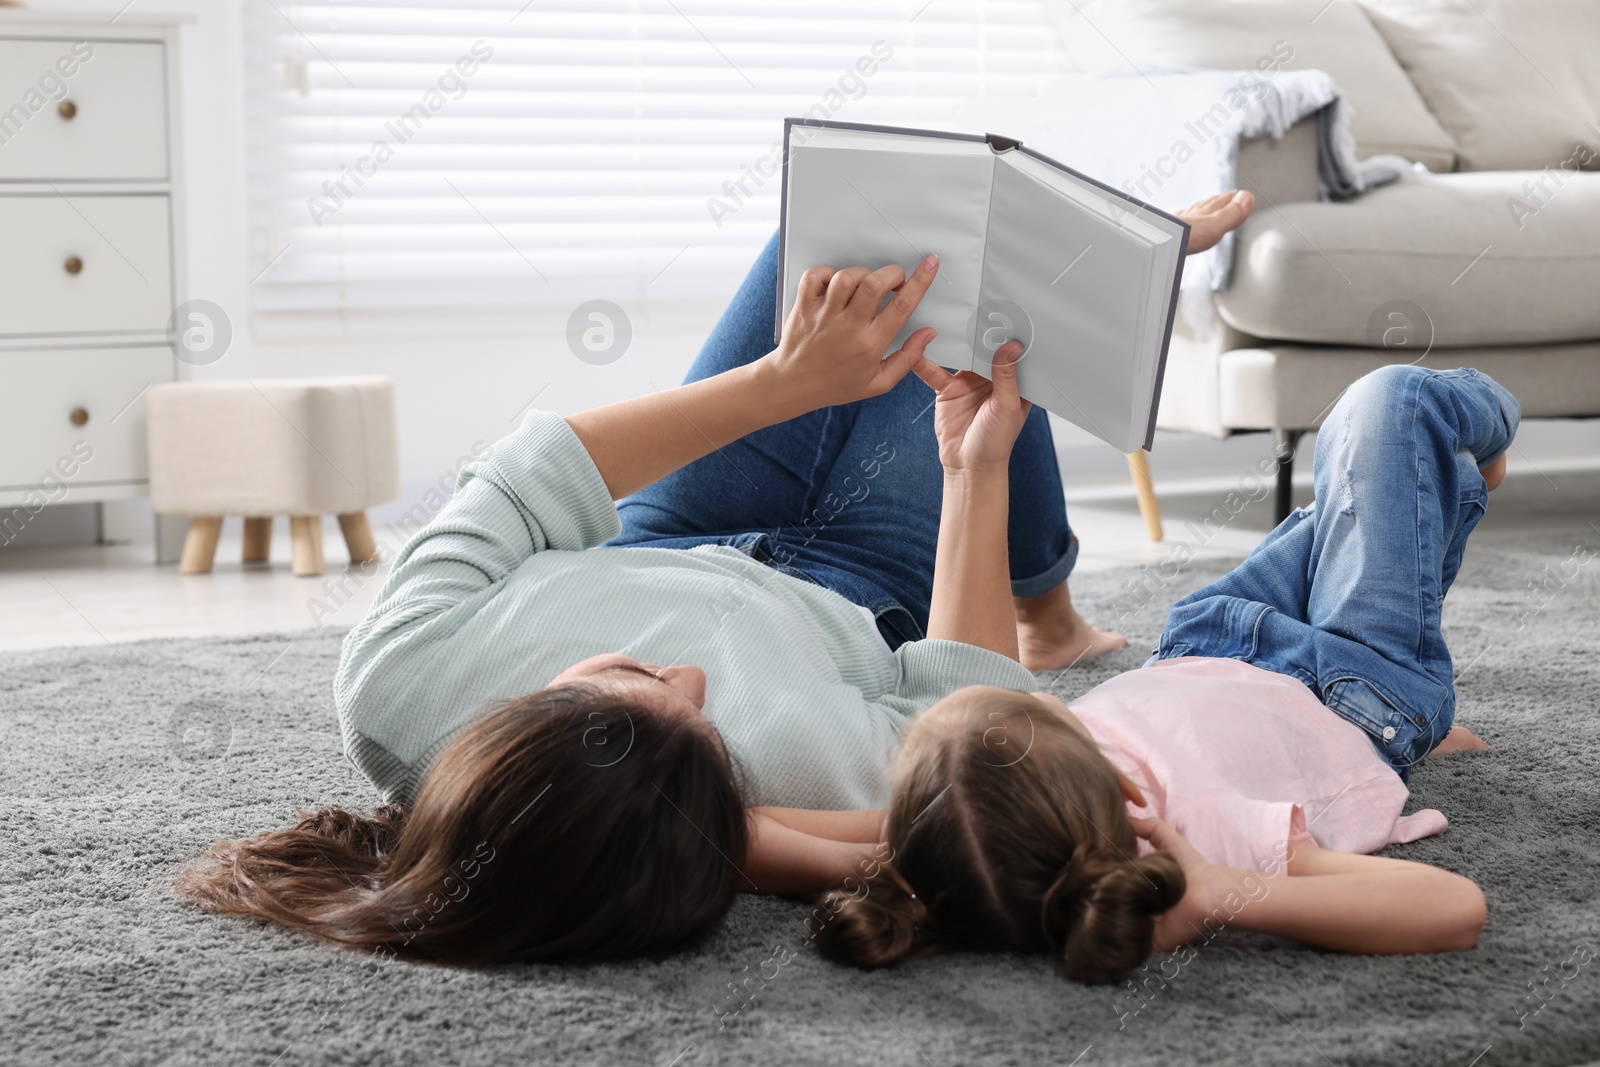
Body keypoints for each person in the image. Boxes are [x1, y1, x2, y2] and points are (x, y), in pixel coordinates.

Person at [176, 191, 1258, 965]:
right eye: (709, 737)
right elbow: (973, 693)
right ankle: (1049, 592)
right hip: (852, 583)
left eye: (644, 689)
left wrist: (782, 382)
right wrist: (968, 468)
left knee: (838, 241)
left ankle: (1054, 595)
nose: (693, 680)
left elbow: (524, 477)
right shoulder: (819, 789)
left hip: (670, 519)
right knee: (975, 339)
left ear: (529, 726)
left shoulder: (400, 685)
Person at [812, 359, 1514, 983]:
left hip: (1209, 636)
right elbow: (1456, 908)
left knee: (1379, 483)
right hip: (1352, 689)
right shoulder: (1202, 840)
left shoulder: (962, 832)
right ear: (1111, 778)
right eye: (1038, 705)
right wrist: (1212, 892)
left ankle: (1444, 489)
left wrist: (894, 861)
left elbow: (755, 829)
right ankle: (1457, 492)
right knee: (1392, 405)